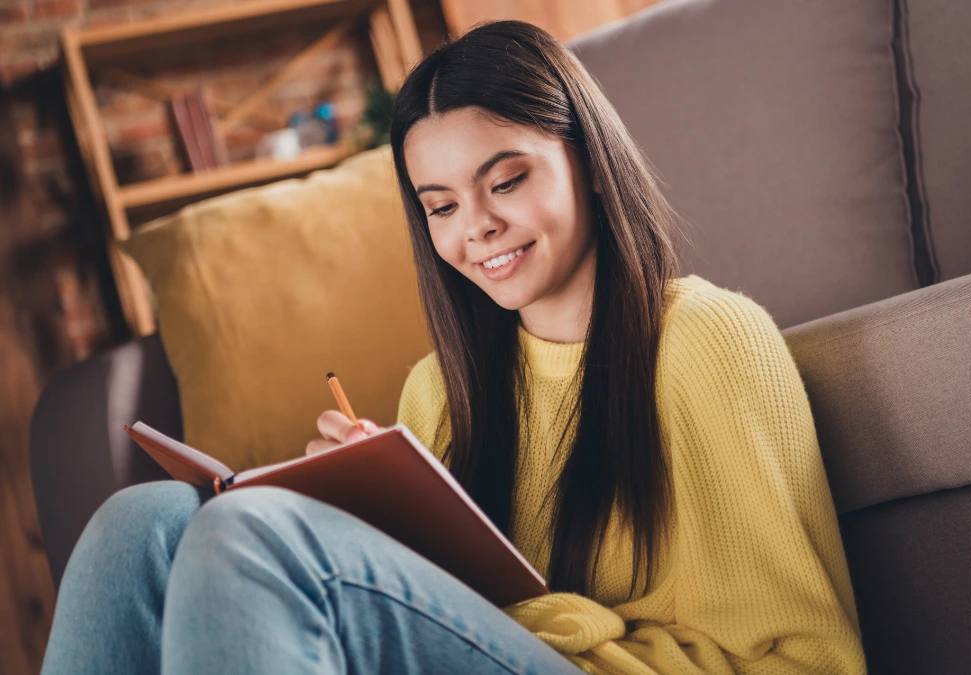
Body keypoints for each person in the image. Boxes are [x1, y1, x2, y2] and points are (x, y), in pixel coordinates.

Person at [41, 20, 866, 675]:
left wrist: (537, 615)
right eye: (439, 205)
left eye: (505, 180)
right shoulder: (437, 393)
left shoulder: (707, 341)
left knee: (249, 534)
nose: (476, 227)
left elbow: (808, 661)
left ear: (589, 158)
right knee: (140, 519)